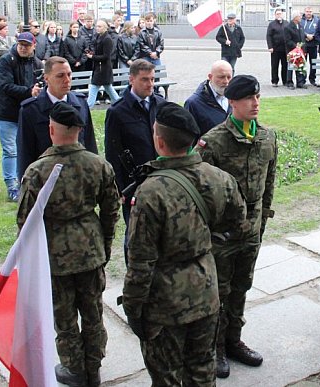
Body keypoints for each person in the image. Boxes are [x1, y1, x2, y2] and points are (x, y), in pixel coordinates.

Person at [122, 101, 248, 387]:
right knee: (203, 371)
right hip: (206, 293)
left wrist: (133, 309)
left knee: (167, 377)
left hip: (164, 305)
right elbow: (240, 227)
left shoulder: (150, 192)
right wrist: (205, 244)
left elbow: (140, 261)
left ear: (159, 141)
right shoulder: (221, 179)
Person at [17, 101, 120, 387]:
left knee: (64, 316)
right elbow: (112, 210)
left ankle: (74, 368)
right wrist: (105, 244)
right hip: (90, 249)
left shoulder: (38, 171)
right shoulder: (98, 165)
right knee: (93, 311)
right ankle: (93, 366)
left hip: (55, 256)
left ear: (51, 130)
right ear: (79, 131)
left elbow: (25, 222)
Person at [195, 75, 277, 379]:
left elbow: (269, 183)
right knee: (218, 291)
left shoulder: (267, 137)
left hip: (252, 230)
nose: (255, 103)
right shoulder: (213, 141)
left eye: (257, 97)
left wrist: (262, 220)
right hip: (222, 233)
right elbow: (197, 188)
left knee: (242, 285)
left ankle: (233, 340)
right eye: (248, 99)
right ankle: (214, 348)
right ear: (232, 102)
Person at [104, 59, 167, 252]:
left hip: (161, 180)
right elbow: (113, 152)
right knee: (135, 234)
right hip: (134, 184)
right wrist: (120, 188)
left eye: (152, 79)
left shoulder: (160, 104)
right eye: (145, 80)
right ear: (131, 79)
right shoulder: (118, 111)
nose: (150, 84)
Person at [17, 56, 98, 179]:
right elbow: (25, 153)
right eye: (60, 76)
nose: (67, 80)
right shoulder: (31, 110)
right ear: (46, 78)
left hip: (80, 178)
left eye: (69, 75)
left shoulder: (80, 104)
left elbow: (89, 143)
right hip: (46, 179)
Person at [0, 32, 43, 201]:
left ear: (33, 46)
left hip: (27, 112)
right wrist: (29, 91)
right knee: (10, 150)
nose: (23, 47)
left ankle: (27, 182)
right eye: (20, 44)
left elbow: (38, 83)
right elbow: (5, 86)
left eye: (27, 45)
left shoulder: (36, 63)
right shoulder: (6, 61)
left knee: (27, 148)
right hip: (7, 112)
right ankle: (12, 186)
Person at [184, 60, 233, 135]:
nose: (226, 81)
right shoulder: (193, 103)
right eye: (221, 77)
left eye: (229, 77)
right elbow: (188, 136)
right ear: (210, 77)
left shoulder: (235, 97)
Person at [86, 19, 120, 107]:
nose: (97, 28)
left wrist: (92, 57)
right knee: (109, 89)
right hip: (99, 68)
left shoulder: (107, 39)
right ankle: (120, 104)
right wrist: (92, 53)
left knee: (94, 87)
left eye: (99, 26)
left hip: (103, 69)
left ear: (105, 28)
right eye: (97, 26)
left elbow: (106, 56)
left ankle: (88, 106)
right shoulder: (98, 37)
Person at [266, 8, 288, 87]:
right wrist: (270, 46)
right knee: (275, 65)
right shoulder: (272, 24)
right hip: (275, 49)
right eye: (277, 14)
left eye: (280, 14)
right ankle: (274, 81)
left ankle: (285, 81)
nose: (279, 15)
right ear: (275, 15)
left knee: (285, 65)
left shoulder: (286, 23)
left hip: (285, 49)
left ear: (282, 15)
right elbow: (269, 36)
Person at [285, 12, 307, 89]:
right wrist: (296, 46)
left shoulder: (300, 26)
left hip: (300, 50)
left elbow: (303, 38)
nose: (301, 17)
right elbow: (287, 40)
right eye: (299, 16)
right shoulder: (288, 27)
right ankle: (289, 83)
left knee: (299, 67)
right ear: (295, 18)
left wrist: (303, 49)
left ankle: (300, 82)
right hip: (292, 50)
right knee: (291, 67)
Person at [300, 7, 319, 86]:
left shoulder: (317, 20)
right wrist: (306, 35)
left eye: (310, 11)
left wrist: (313, 36)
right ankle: (302, 80)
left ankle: (312, 79)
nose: (308, 13)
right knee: (303, 63)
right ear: (304, 12)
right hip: (303, 45)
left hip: (313, 44)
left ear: (312, 12)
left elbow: (318, 30)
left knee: (313, 63)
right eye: (307, 11)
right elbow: (299, 30)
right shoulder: (301, 20)